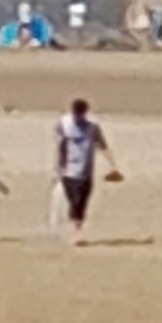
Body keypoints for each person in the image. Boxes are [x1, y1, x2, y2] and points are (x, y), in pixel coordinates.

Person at [53, 98, 122, 243]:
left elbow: (102, 145)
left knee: (81, 202)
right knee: (73, 202)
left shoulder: (92, 128)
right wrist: (58, 166)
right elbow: (60, 146)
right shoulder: (64, 124)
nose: (77, 117)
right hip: (68, 171)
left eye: (80, 114)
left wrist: (112, 165)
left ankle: (76, 232)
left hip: (86, 172)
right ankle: (74, 229)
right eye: (75, 114)